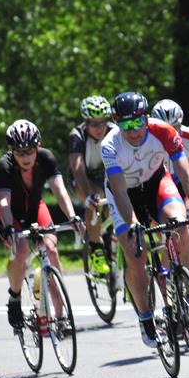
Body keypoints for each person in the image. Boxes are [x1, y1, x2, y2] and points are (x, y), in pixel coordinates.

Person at [101, 92, 189, 348]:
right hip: (124, 194)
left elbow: (186, 174)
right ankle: (145, 316)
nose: (133, 131)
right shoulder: (110, 145)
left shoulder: (164, 131)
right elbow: (119, 191)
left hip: (157, 183)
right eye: (126, 125)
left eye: (137, 123)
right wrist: (132, 222)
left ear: (146, 118)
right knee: (135, 255)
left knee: (180, 226)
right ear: (116, 122)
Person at [0, 120, 84, 330]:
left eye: (30, 151)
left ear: (38, 147)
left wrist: (72, 216)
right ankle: (14, 298)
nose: (25, 157)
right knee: (21, 249)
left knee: (51, 248)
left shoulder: (46, 158)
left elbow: (59, 190)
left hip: (34, 207)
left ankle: (61, 315)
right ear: (11, 151)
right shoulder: (5, 165)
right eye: (19, 152)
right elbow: (3, 202)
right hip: (8, 212)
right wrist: (9, 228)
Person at [151, 98, 189, 248]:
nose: (171, 132)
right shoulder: (150, 140)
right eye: (165, 128)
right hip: (159, 186)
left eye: (175, 127)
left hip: (181, 183)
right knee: (166, 239)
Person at [69, 96, 115, 275]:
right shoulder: (77, 135)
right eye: (94, 124)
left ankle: (114, 241)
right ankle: (96, 248)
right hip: (83, 179)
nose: (99, 128)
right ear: (86, 123)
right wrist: (89, 195)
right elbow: (78, 168)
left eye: (103, 122)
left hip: (106, 176)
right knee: (95, 199)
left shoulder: (114, 131)